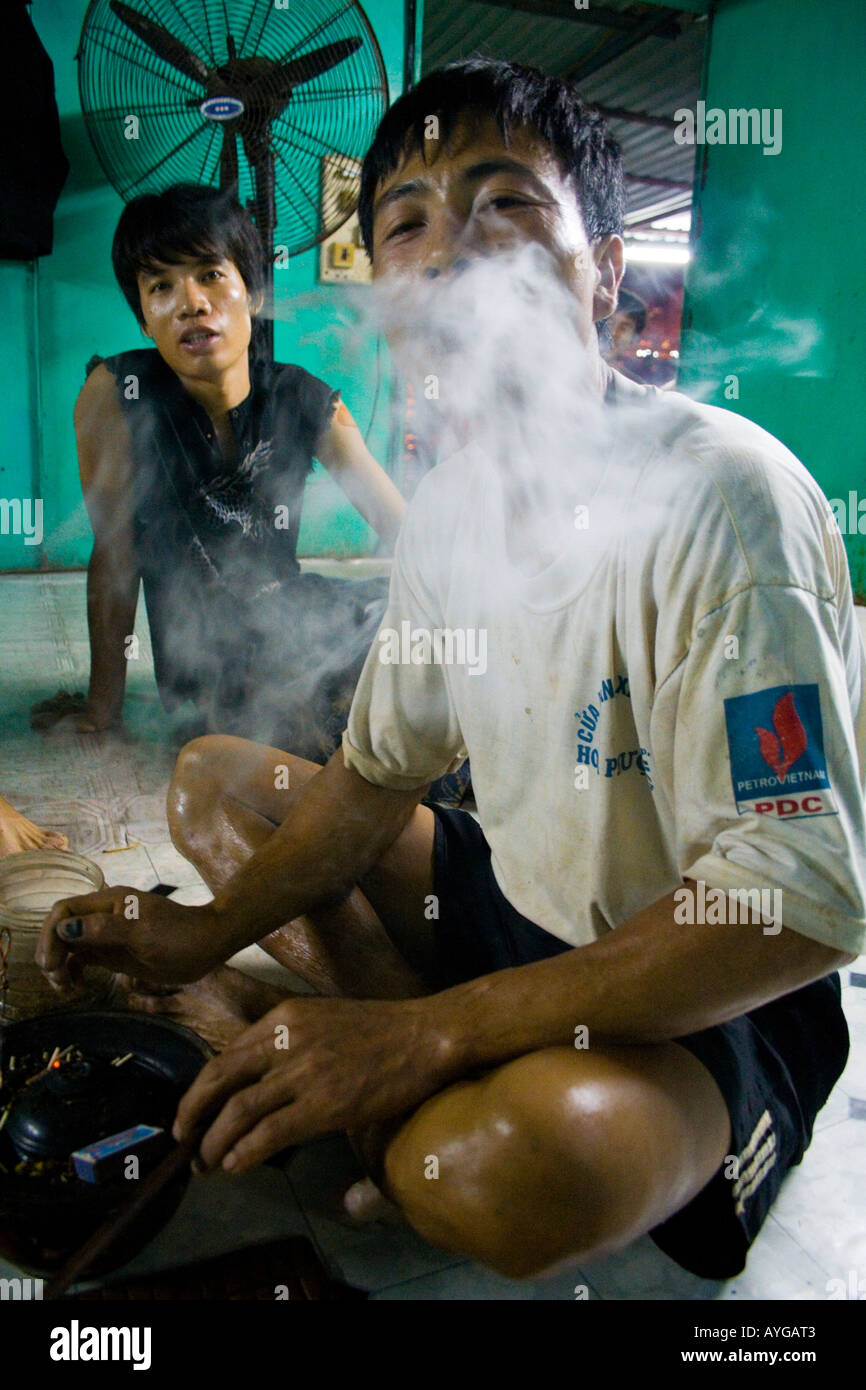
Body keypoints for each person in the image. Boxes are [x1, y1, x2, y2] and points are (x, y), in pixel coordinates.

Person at [38, 60, 864, 1283]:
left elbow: (791, 902)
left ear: (604, 271)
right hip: (516, 908)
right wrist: (201, 933)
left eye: (504, 204)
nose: (451, 252)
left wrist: (432, 1031)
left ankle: (394, 1073)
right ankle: (386, 1057)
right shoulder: (453, 512)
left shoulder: (722, 499)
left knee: (490, 1170)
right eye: (408, 225)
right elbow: (375, 777)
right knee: (213, 783)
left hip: (702, 991)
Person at [30, 183, 407, 763]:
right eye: (161, 287)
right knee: (327, 715)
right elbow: (115, 554)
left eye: (210, 274)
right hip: (209, 678)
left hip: (298, 625)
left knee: (407, 625)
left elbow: (408, 534)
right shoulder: (118, 393)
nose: (191, 303)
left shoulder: (305, 398)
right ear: (144, 320)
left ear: (252, 293)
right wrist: (101, 709)